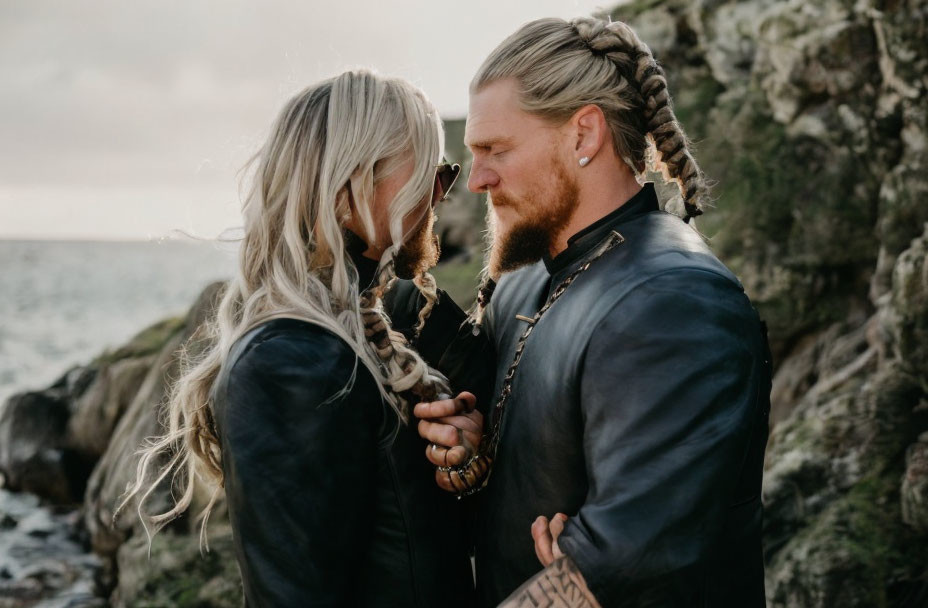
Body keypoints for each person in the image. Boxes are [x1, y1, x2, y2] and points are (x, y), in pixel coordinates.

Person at [415, 16, 772, 607]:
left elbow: (626, 562)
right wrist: (475, 457)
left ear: (584, 135)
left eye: (495, 150)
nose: (475, 180)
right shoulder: (524, 278)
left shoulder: (673, 302)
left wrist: (583, 570)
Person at [116, 70, 486, 606]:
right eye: (430, 172)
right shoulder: (292, 363)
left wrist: (468, 466)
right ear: (347, 187)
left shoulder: (360, 331)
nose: (442, 196)